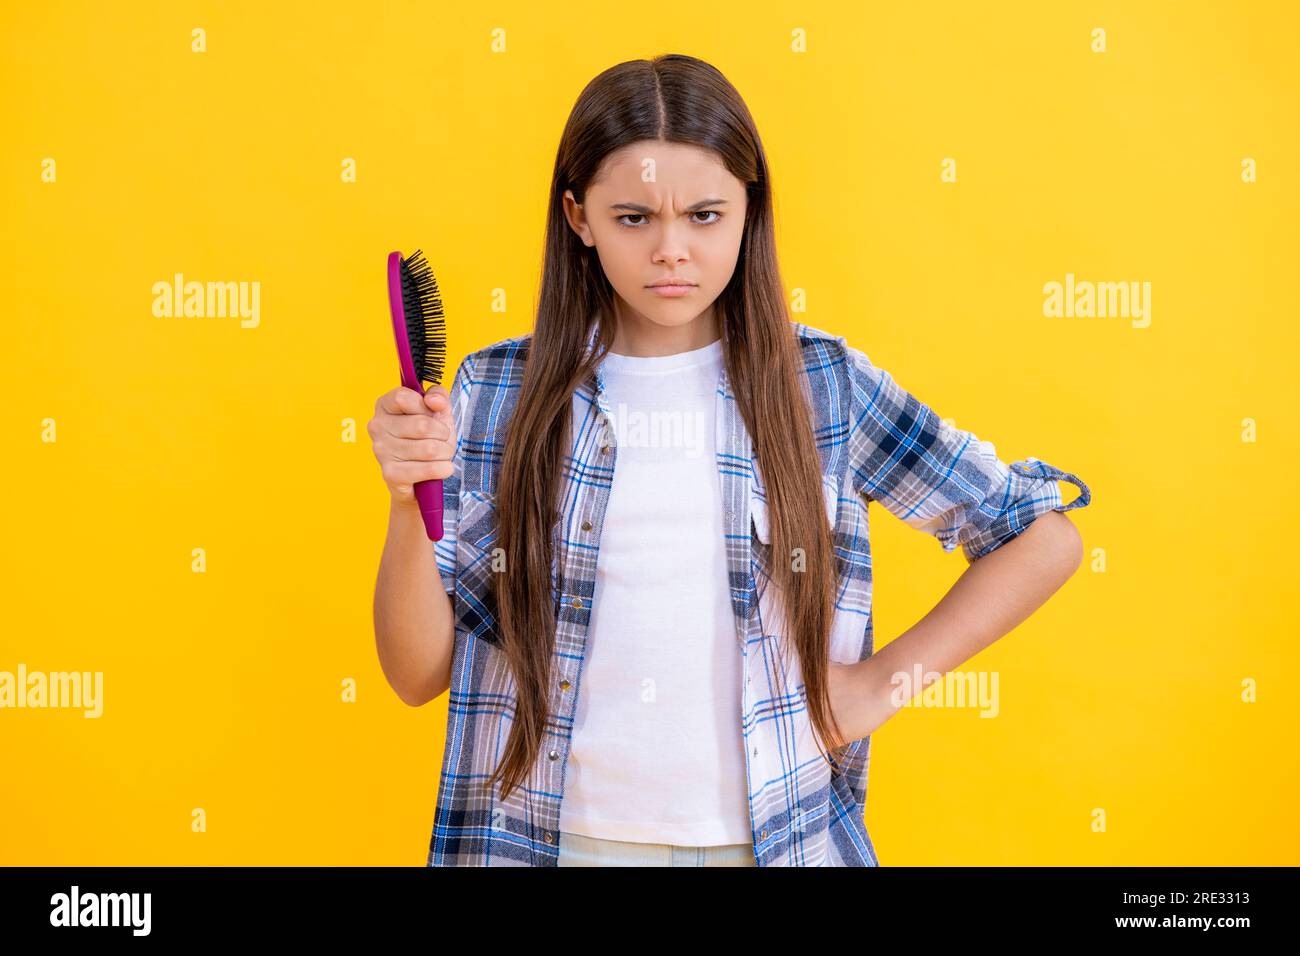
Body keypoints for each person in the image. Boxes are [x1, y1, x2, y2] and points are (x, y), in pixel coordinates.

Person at [368, 53, 1092, 867]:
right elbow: (415, 673)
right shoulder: (496, 391)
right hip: (547, 845)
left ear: (750, 210)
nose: (671, 250)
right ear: (579, 217)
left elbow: (1044, 537)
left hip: (773, 844)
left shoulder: (821, 386)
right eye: (633, 218)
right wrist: (405, 498)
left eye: (705, 216)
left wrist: (875, 689)